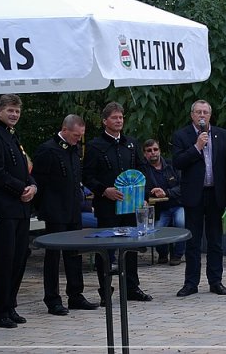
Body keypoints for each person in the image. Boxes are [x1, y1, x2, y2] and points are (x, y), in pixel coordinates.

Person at [82, 102, 152, 305]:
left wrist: (143, 194)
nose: (119, 120)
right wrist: (104, 190)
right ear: (105, 121)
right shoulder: (95, 146)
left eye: (121, 117)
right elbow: (87, 175)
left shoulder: (131, 144)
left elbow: (142, 170)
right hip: (107, 205)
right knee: (106, 248)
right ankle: (105, 290)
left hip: (130, 206)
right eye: (114, 117)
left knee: (131, 246)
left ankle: (132, 287)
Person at [33, 114, 99, 316]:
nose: (78, 139)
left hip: (73, 210)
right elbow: (39, 182)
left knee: (74, 253)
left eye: (81, 136)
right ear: (65, 130)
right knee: (53, 257)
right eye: (76, 135)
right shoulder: (48, 150)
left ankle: (75, 294)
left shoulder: (74, 150)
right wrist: (43, 208)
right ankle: (52, 299)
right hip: (55, 211)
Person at [0, 94, 37, 329]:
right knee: (5, 260)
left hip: (21, 208)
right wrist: (20, 188)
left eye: (17, 111)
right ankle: (0, 311)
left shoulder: (13, 135)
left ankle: (10, 305)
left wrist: (33, 185)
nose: (14, 115)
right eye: (10, 110)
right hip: (4, 209)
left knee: (19, 258)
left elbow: (25, 168)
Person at [172, 100, 226, 297]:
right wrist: (197, 147)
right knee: (193, 241)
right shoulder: (181, 135)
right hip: (194, 194)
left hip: (216, 194)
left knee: (215, 241)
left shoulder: (221, 134)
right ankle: (191, 283)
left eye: (205, 112)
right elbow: (178, 162)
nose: (202, 115)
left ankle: (215, 281)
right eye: (198, 112)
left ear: (210, 115)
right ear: (192, 115)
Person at [140, 138, 185, 266]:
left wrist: (166, 192)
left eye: (155, 149)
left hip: (177, 205)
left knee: (181, 222)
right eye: (149, 150)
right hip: (159, 209)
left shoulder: (172, 165)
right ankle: (163, 254)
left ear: (159, 150)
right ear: (144, 154)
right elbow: (140, 189)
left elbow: (183, 186)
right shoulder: (142, 169)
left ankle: (177, 255)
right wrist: (151, 192)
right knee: (157, 229)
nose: (153, 152)